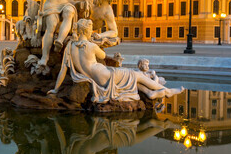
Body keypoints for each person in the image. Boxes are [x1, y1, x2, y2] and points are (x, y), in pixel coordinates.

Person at [49, 19, 183, 103]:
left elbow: (62, 70)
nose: (92, 31)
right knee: (136, 74)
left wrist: (55, 89)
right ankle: (166, 90)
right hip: (106, 76)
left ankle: (150, 92)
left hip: (97, 78)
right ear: (86, 30)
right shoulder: (91, 46)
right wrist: (100, 41)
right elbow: (102, 55)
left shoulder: (70, 47)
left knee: (133, 78)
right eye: (90, 29)